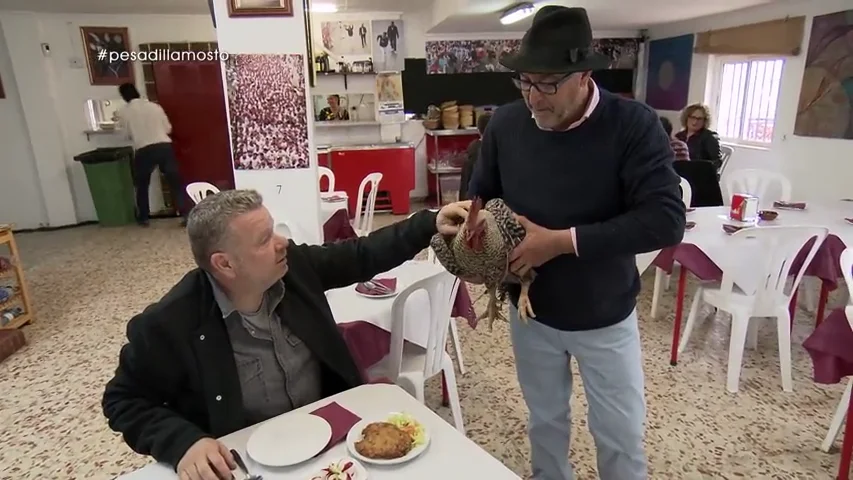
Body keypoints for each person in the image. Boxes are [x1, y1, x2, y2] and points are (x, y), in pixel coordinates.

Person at [102, 189, 470, 480]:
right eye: (264, 239)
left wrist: (429, 223)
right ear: (224, 264)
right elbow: (122, 400)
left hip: (332, 446)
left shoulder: (295, 269)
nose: (282, 242)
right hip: (248, 461)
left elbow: (361, 254)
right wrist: (183, 443)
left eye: (274, 229)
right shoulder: (170, 323)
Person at [467, 6, 685, 480]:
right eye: (524, 82)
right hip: (532, 313)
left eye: (547, 84)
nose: (533, 99)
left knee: (619, 433)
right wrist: (474, 237)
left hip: (604, 313)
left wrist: (560, 242)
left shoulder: (632, 125)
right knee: (545, 423)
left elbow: (666, 220)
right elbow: (480, 196)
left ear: (584, 74)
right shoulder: (505, 125)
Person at [116, 83, 190, 227]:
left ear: (124, 97)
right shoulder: (155, 107)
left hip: (143, 149)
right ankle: (186, 214)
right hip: (164, 147)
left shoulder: (124, 112)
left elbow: (124, 135)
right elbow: (168, 128)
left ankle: (143, 217)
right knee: (175, 182)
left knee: (142, 184)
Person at [675, 103, 723, 170]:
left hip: (699, 174)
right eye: (692, 117)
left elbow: (717, 162)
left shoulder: (710, 137)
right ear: (686, 118)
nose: (695, 121)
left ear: (705, 121)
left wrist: (700, 167)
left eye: (699, 119)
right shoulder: (679, 136)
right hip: (679, 173)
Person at [459, 112, 492, 201]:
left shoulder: (473, 147)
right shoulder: (491, 149)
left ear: (478, 130)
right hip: (481, 201)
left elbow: (465, 179)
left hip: (470, 200)